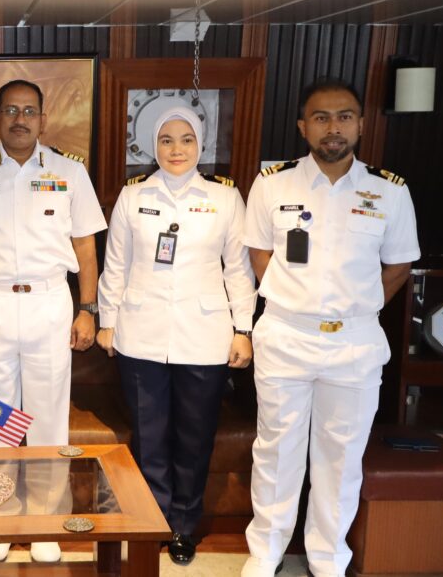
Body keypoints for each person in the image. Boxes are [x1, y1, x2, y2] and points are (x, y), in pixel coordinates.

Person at [240, 79, 420, 577]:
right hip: (286, 333)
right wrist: (297, 302)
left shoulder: (389, 191)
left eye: (344, 116)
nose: (333, 127)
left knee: (341, 456)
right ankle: (266, 551)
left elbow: (399, 266)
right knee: (276, 449)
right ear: (304, 126)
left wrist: (355, 310)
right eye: (321, 117)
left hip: (354, 342)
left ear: (361, 124)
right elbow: (259, 255)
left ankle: (327, 557)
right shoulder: (273, 184)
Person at [0, 79, 106, 562]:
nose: (20, 120)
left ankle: (45, 520)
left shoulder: (70, 172)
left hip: (49, 301)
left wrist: (88, 309)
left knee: (47, 415)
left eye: (29, 111)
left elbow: (86, 246)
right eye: (11, 111)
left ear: (43, 118)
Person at [96, 106, 256, 565]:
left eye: (186, 139)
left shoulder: (225, 197)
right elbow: (116, 263)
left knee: (194, 437)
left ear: (201, 144)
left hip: (204, 336)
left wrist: (243, 328)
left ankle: (184, 525)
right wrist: (107, 320)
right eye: (166, 140)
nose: (176, 149)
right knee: (149, 437)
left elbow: (238, 269)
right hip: (140, 333)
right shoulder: (133, 196)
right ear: (153, 145)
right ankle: (154, 522)